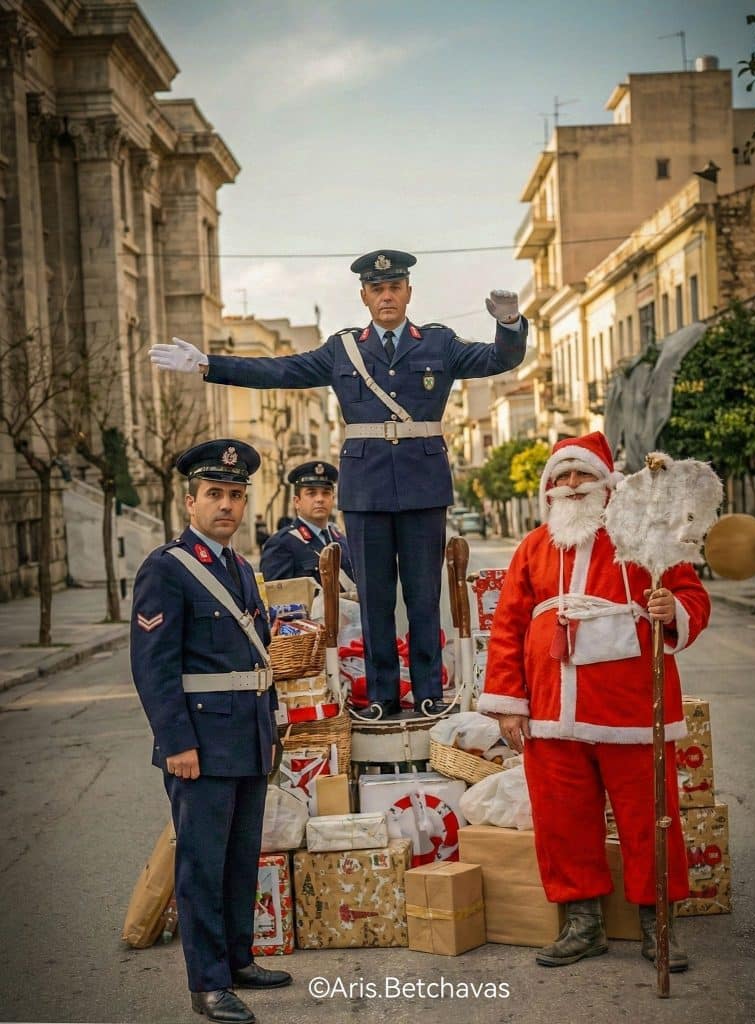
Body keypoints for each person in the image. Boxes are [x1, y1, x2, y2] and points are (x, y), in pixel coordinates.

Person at [149, 249, 527, 720]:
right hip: (366, 489)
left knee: (423, 595)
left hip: (423, 486)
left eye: (394, 287)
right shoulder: (343, 349)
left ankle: (428, 692)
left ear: (408, 292)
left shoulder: (438, 343)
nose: (386, 296)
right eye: (377, 289)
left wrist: (509, 323)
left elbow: (496, 358)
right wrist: (210, 365)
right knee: (374, 598)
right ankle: (383, 696)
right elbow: (281, 370)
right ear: (364, 296)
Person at [477, 432, 711, 973]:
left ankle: (657, 924)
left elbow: (692, 595)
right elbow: (508, 627)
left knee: (649, 818)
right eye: (561, 476)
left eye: (582, 474)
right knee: (562, 821)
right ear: (548, 488)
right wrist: (510, 703)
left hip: (632, 712)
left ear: (607, 483)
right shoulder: (533, 547)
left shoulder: (644, 538)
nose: (572, 484)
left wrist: (672, 608)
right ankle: (583, 925)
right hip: (551, 712)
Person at [130, 439, 292, 1024]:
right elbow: (153, 667)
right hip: (199, 742)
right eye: (215, 494)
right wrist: (177, 743)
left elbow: (256, 659)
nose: (226, 505)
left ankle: (238, 959)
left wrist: (270, 728)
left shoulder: (239, 568)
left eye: (235, 495)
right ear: (190, 502)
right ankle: (208, 983)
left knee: (241, 857)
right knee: (201, 865)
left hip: (246, 737)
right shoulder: (167, 568)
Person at [260, 460, 355, 591]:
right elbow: (276, 597)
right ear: (297, 502)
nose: (320, 499)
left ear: (333, 499)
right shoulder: (282, 544)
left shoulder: (342, 540)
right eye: (311, 493)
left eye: (326, 493)